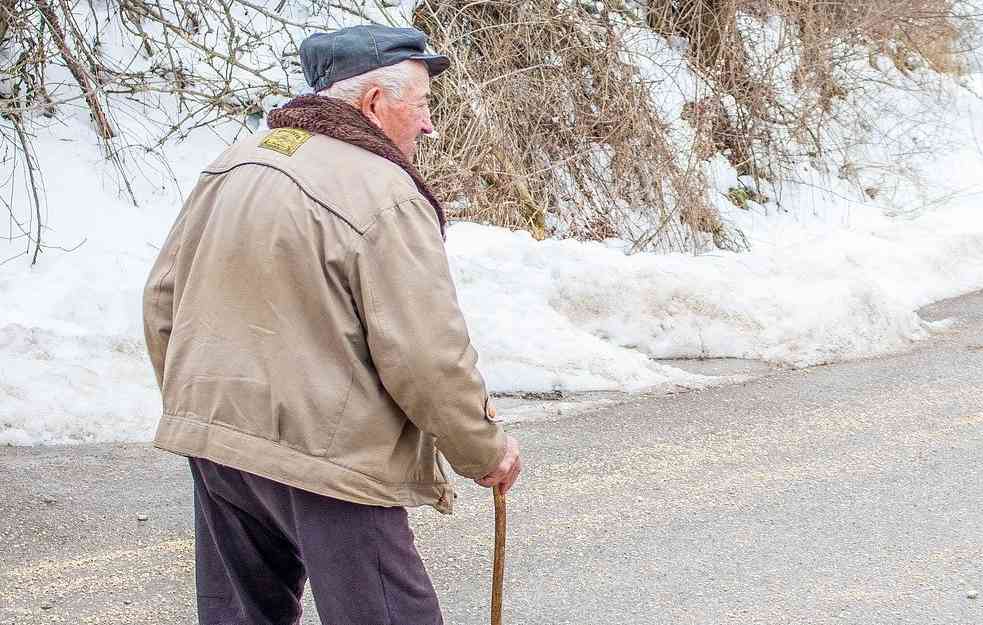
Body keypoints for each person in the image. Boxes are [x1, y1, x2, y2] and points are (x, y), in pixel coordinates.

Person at [142, 24, 521, 625]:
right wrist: (482, 449)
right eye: (420, 106)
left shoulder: (232, 165)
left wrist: (204, 405)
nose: (428, 125)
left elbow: (163, 300)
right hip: (330, 457)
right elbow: (424, 353)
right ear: (373, 103)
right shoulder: (385, 192)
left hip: (219, 446)